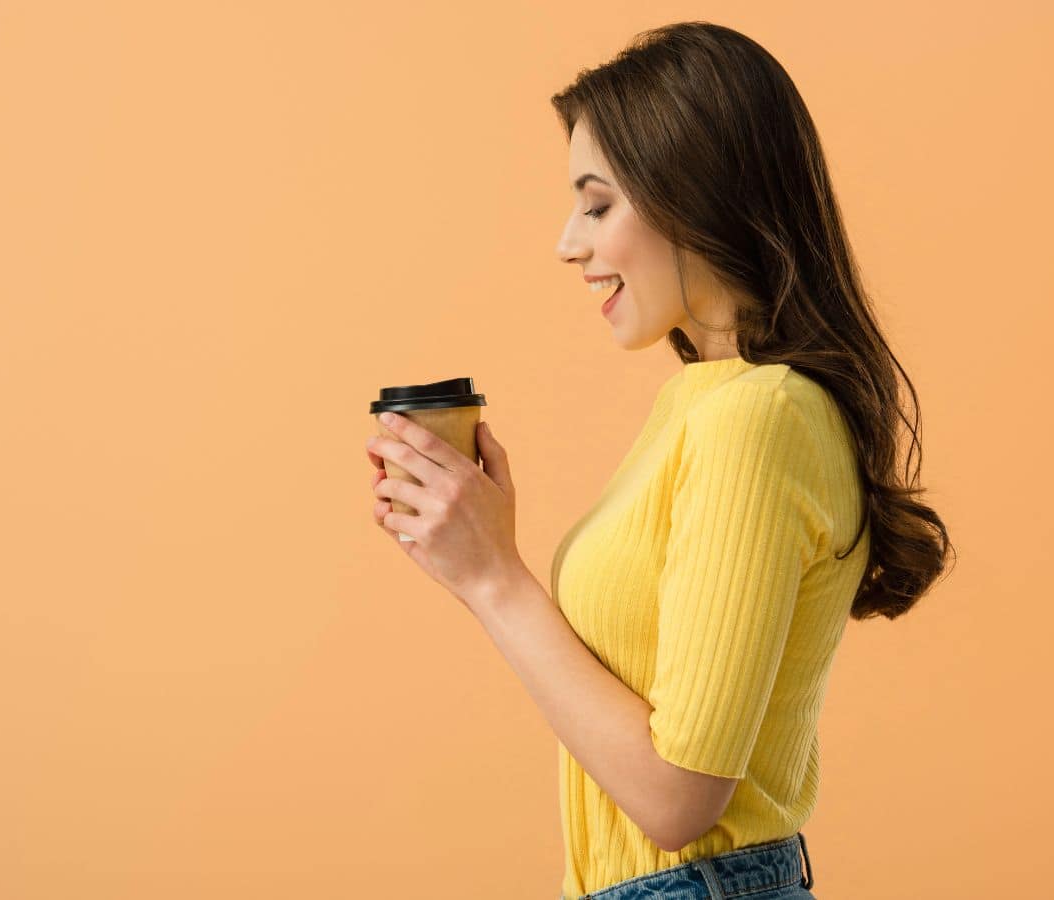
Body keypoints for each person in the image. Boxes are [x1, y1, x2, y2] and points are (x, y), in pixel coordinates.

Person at [365, 20, 953, 900]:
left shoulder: (759, 415)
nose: (569, 243)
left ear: (697, 195)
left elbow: (678, 799)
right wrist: (475, 553)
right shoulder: (708, 400)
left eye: (598, 205)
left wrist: (493, 577)